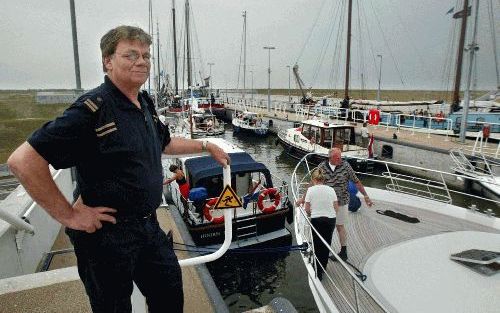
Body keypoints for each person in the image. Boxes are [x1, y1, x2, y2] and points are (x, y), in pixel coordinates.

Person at [7, 25, 230, 313]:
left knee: (169, 295)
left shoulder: (144, 102)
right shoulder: (91, 110)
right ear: (107, 61)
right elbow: (23, 161)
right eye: (131, 55)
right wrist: (70, 215)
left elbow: (163, 142)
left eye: (147, 56)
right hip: (107, 236)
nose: (142, 62)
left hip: (148, 227)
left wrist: (205, 146)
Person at [318, 148, 373, 261]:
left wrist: (366, 196)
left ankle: (343, 252)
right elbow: (314, 182)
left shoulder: (346, 166)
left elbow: (356, 181)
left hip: (342, 202)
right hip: (326, 203)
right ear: (330, 158)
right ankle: (322, 250)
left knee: (340, 226)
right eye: (337, 158)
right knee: (324, 227)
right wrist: (304, 199)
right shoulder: (322, 167)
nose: (340, 159)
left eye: (340, 157)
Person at [304, 168, 338, 280]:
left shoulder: (310, 190)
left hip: (317, 220)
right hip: (330, 220)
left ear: (313, 179)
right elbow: (336, 208)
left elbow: (307, 209)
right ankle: (323, 267)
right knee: (326, 244)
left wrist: (311, 214)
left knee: (317, 244)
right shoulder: (331, 190)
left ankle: (317, 272)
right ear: (324, 179)